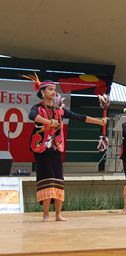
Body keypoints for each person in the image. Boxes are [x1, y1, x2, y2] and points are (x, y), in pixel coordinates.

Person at [27, 77, 107, 222]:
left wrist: (99, 121)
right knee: (46, 178)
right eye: (50, 89)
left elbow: (79, 117)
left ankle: (58, 214)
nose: (53, 91)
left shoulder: (60, 111)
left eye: (54, 89)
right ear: (42, 92)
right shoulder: (37, 108)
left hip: (56, 148)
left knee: (58, 179)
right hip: (42, 149)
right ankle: (45, 214)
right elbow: (32, 116)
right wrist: (48, 122)